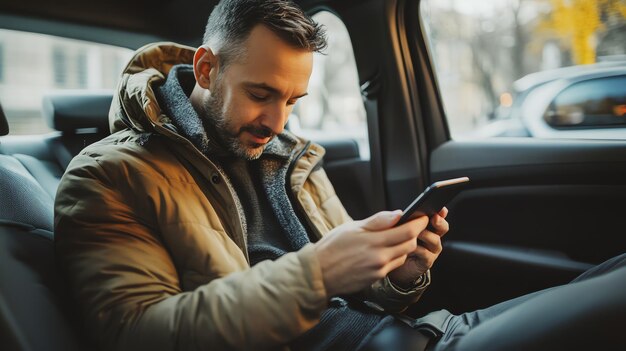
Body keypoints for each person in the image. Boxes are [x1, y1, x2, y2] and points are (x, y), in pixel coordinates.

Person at [54, 1, 626, 350]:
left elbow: (361, 290)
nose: (277, 122)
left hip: (425, 332)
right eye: (260, 94)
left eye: (293, 100)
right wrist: (319, 273)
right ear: (206, 68)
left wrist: (399, 273)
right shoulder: (109, 177)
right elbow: (139, 335)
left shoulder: (289, 156)